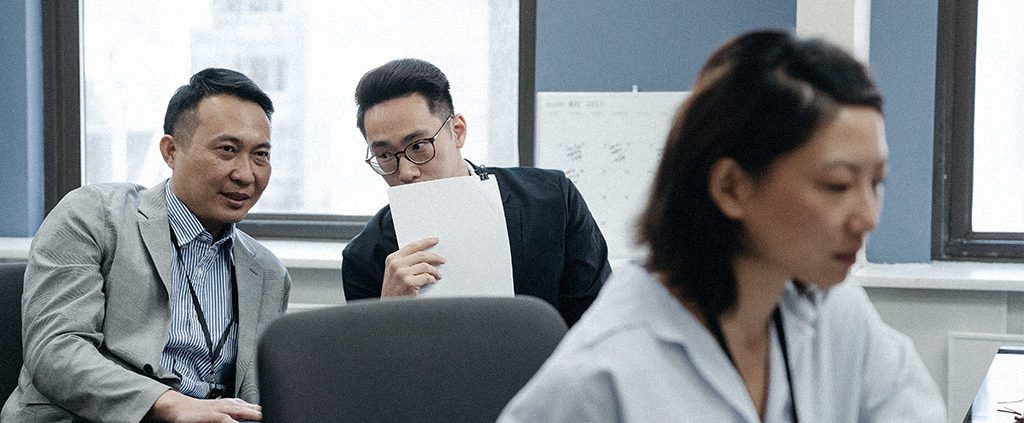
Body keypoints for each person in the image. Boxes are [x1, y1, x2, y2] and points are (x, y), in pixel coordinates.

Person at [498, 30, 945, 422]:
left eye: (877, 182)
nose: (868, 217)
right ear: (731, 187)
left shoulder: (836, 313)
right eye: (837, 185)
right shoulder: (599, 379)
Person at [2, 68, 291, 422]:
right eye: (227, 150)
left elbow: (255, 396)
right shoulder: (94, 215)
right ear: (171, 151)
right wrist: (169, 403)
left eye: (260, 155)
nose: (246, 174)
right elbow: (57, 352)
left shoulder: (267, 272)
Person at [342, 58, 610, 326]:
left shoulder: (552, 201)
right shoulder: (365, 257)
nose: (405, 171)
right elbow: (376, 366)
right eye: (385, 155)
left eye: (418, 146)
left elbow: (598, 325)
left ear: (457, 132)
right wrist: (387, 312)